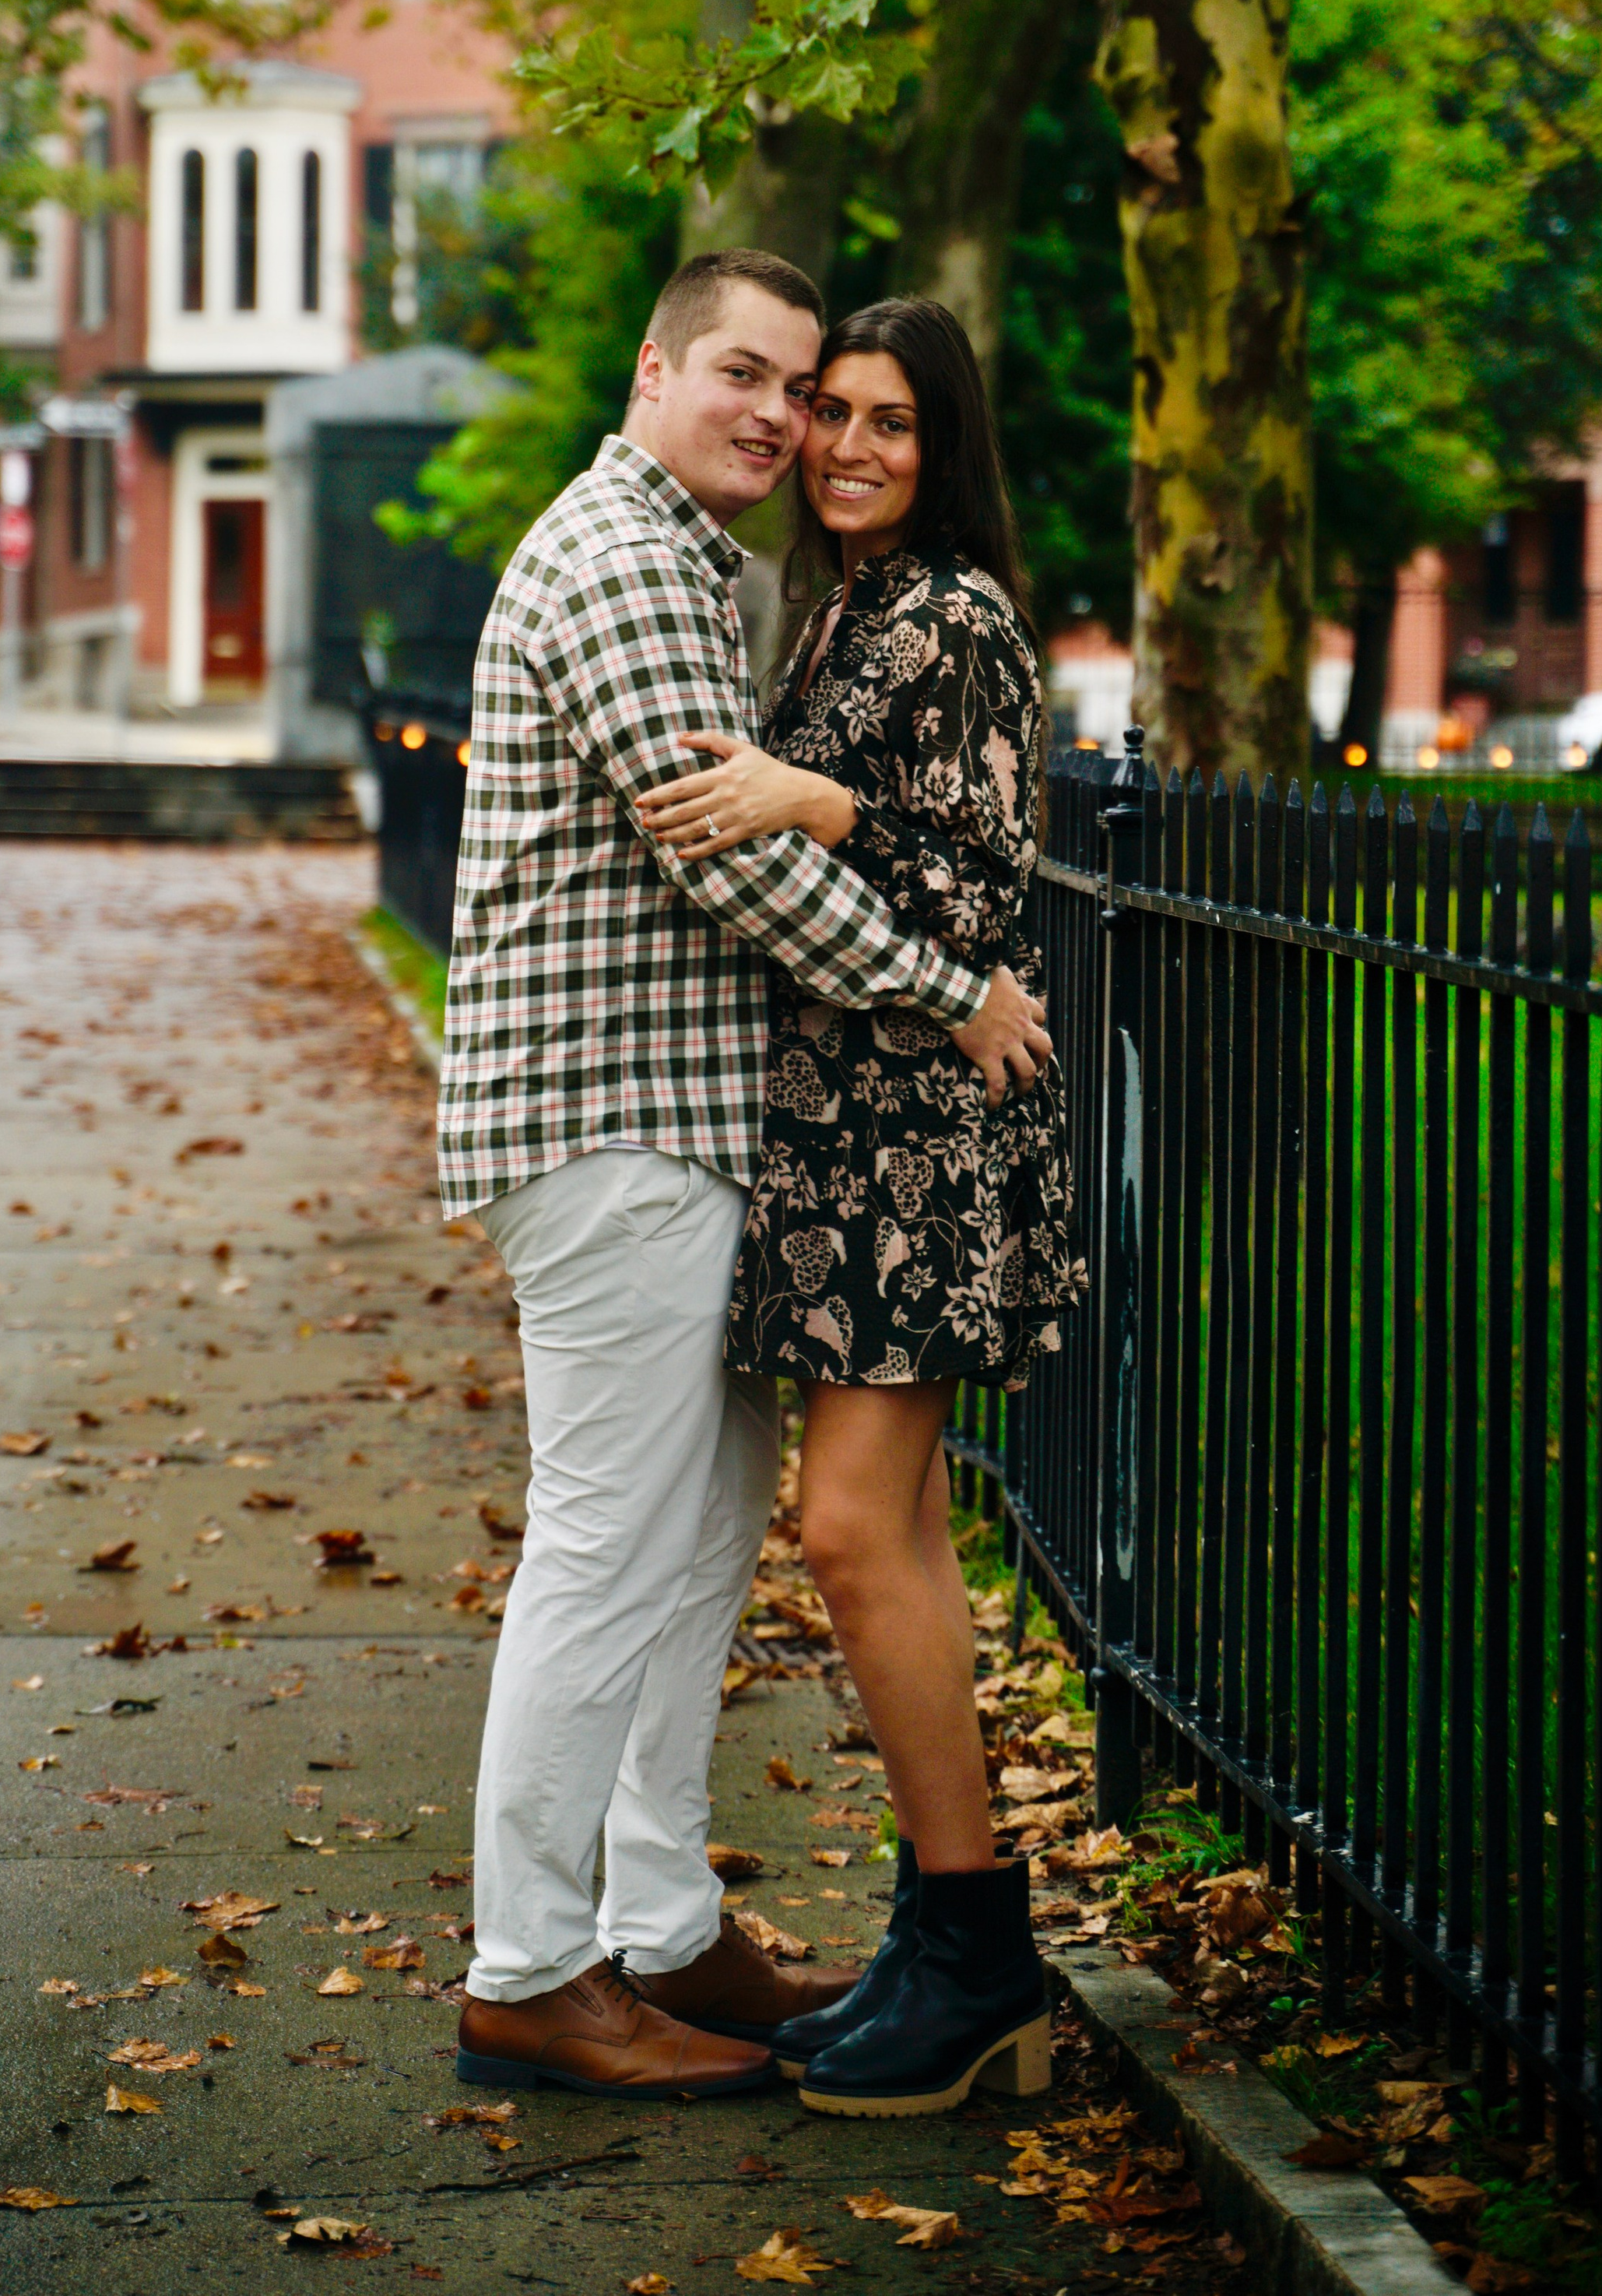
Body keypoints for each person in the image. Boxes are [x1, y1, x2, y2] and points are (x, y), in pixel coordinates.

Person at [439, 250, 1055, 2102]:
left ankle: (653, 1921)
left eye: (818, 392)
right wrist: (956, 992)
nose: (785, 418)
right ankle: (533, 1965)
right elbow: (734, 867)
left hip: (703, 1131)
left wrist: (836, 816)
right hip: (617, 1123)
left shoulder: (760, 583)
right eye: (755, 374)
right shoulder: (630, 562)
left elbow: (868, 820)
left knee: (692, 1544)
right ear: (654, 366)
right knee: (608, 1546)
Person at [638, 296, 1081, 2118]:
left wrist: (811, 792)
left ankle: (976, 1951)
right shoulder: (841, 606)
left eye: (889, 420)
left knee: (845, 1530)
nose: (845, 446)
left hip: (921, 1144)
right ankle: (936, 1935)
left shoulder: (956, 616)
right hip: (846, 1143)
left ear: (942, 443)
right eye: (829, 411)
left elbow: (981, 885)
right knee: (867, 1537)